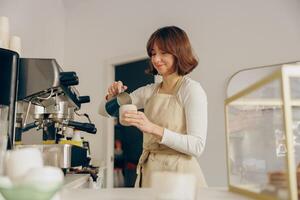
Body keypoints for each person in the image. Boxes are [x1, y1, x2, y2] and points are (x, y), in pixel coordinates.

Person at [99, 26, 207, 188]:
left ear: (179, 52)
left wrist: (152, 128)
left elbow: (197, 146)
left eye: (163, 52)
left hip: (180, 177)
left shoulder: (191, 89)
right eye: (153, 53)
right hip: (150, 173)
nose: (156, 59)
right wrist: (112, 96)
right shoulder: (149, 91)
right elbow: (104, 111)